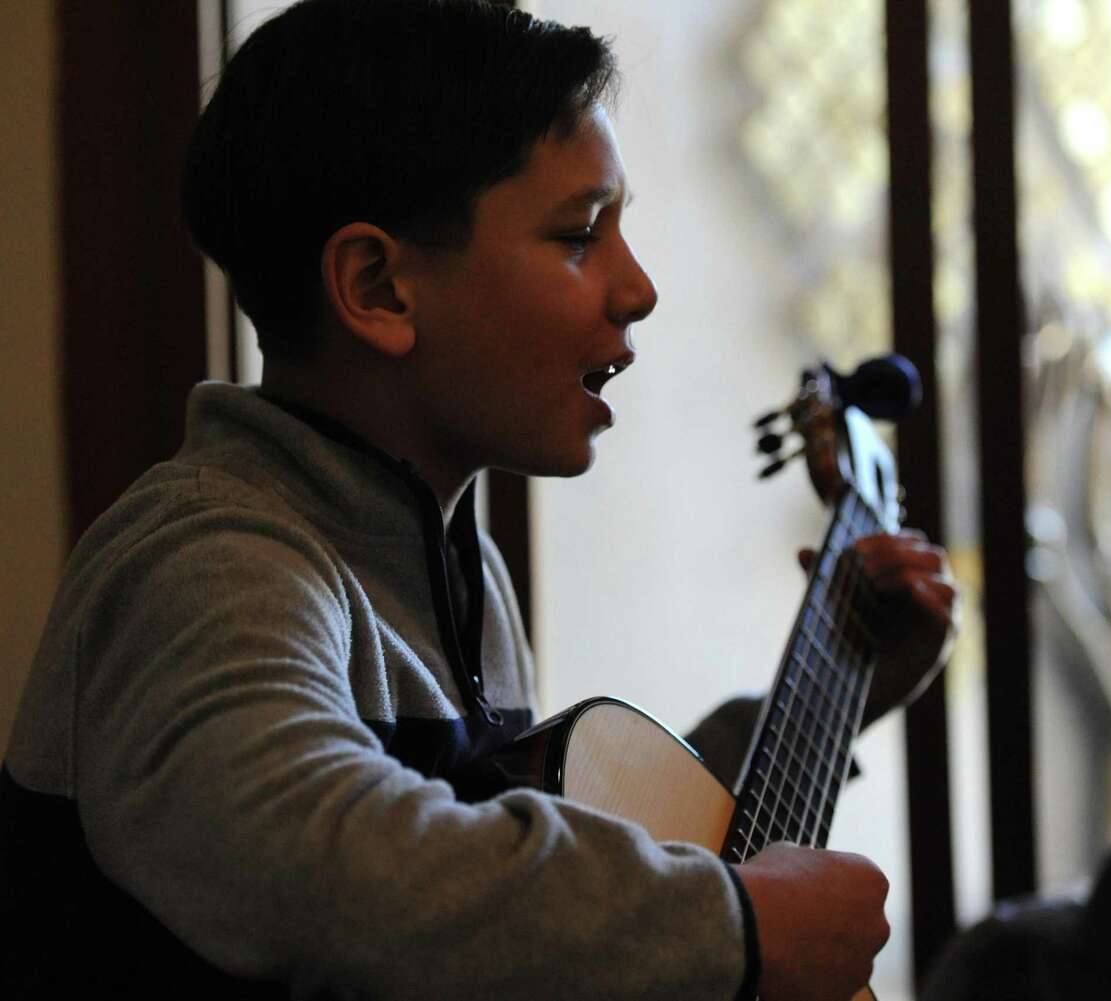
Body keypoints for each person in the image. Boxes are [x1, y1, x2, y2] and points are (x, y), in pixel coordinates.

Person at [0, 2, 958, 999]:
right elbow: (316, 860)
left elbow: (517, 859)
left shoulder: (457, 565)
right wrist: (737, 926)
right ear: (379, 286)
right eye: (583, 232)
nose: (639, 289)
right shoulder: (210, 559)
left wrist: (835, 689)